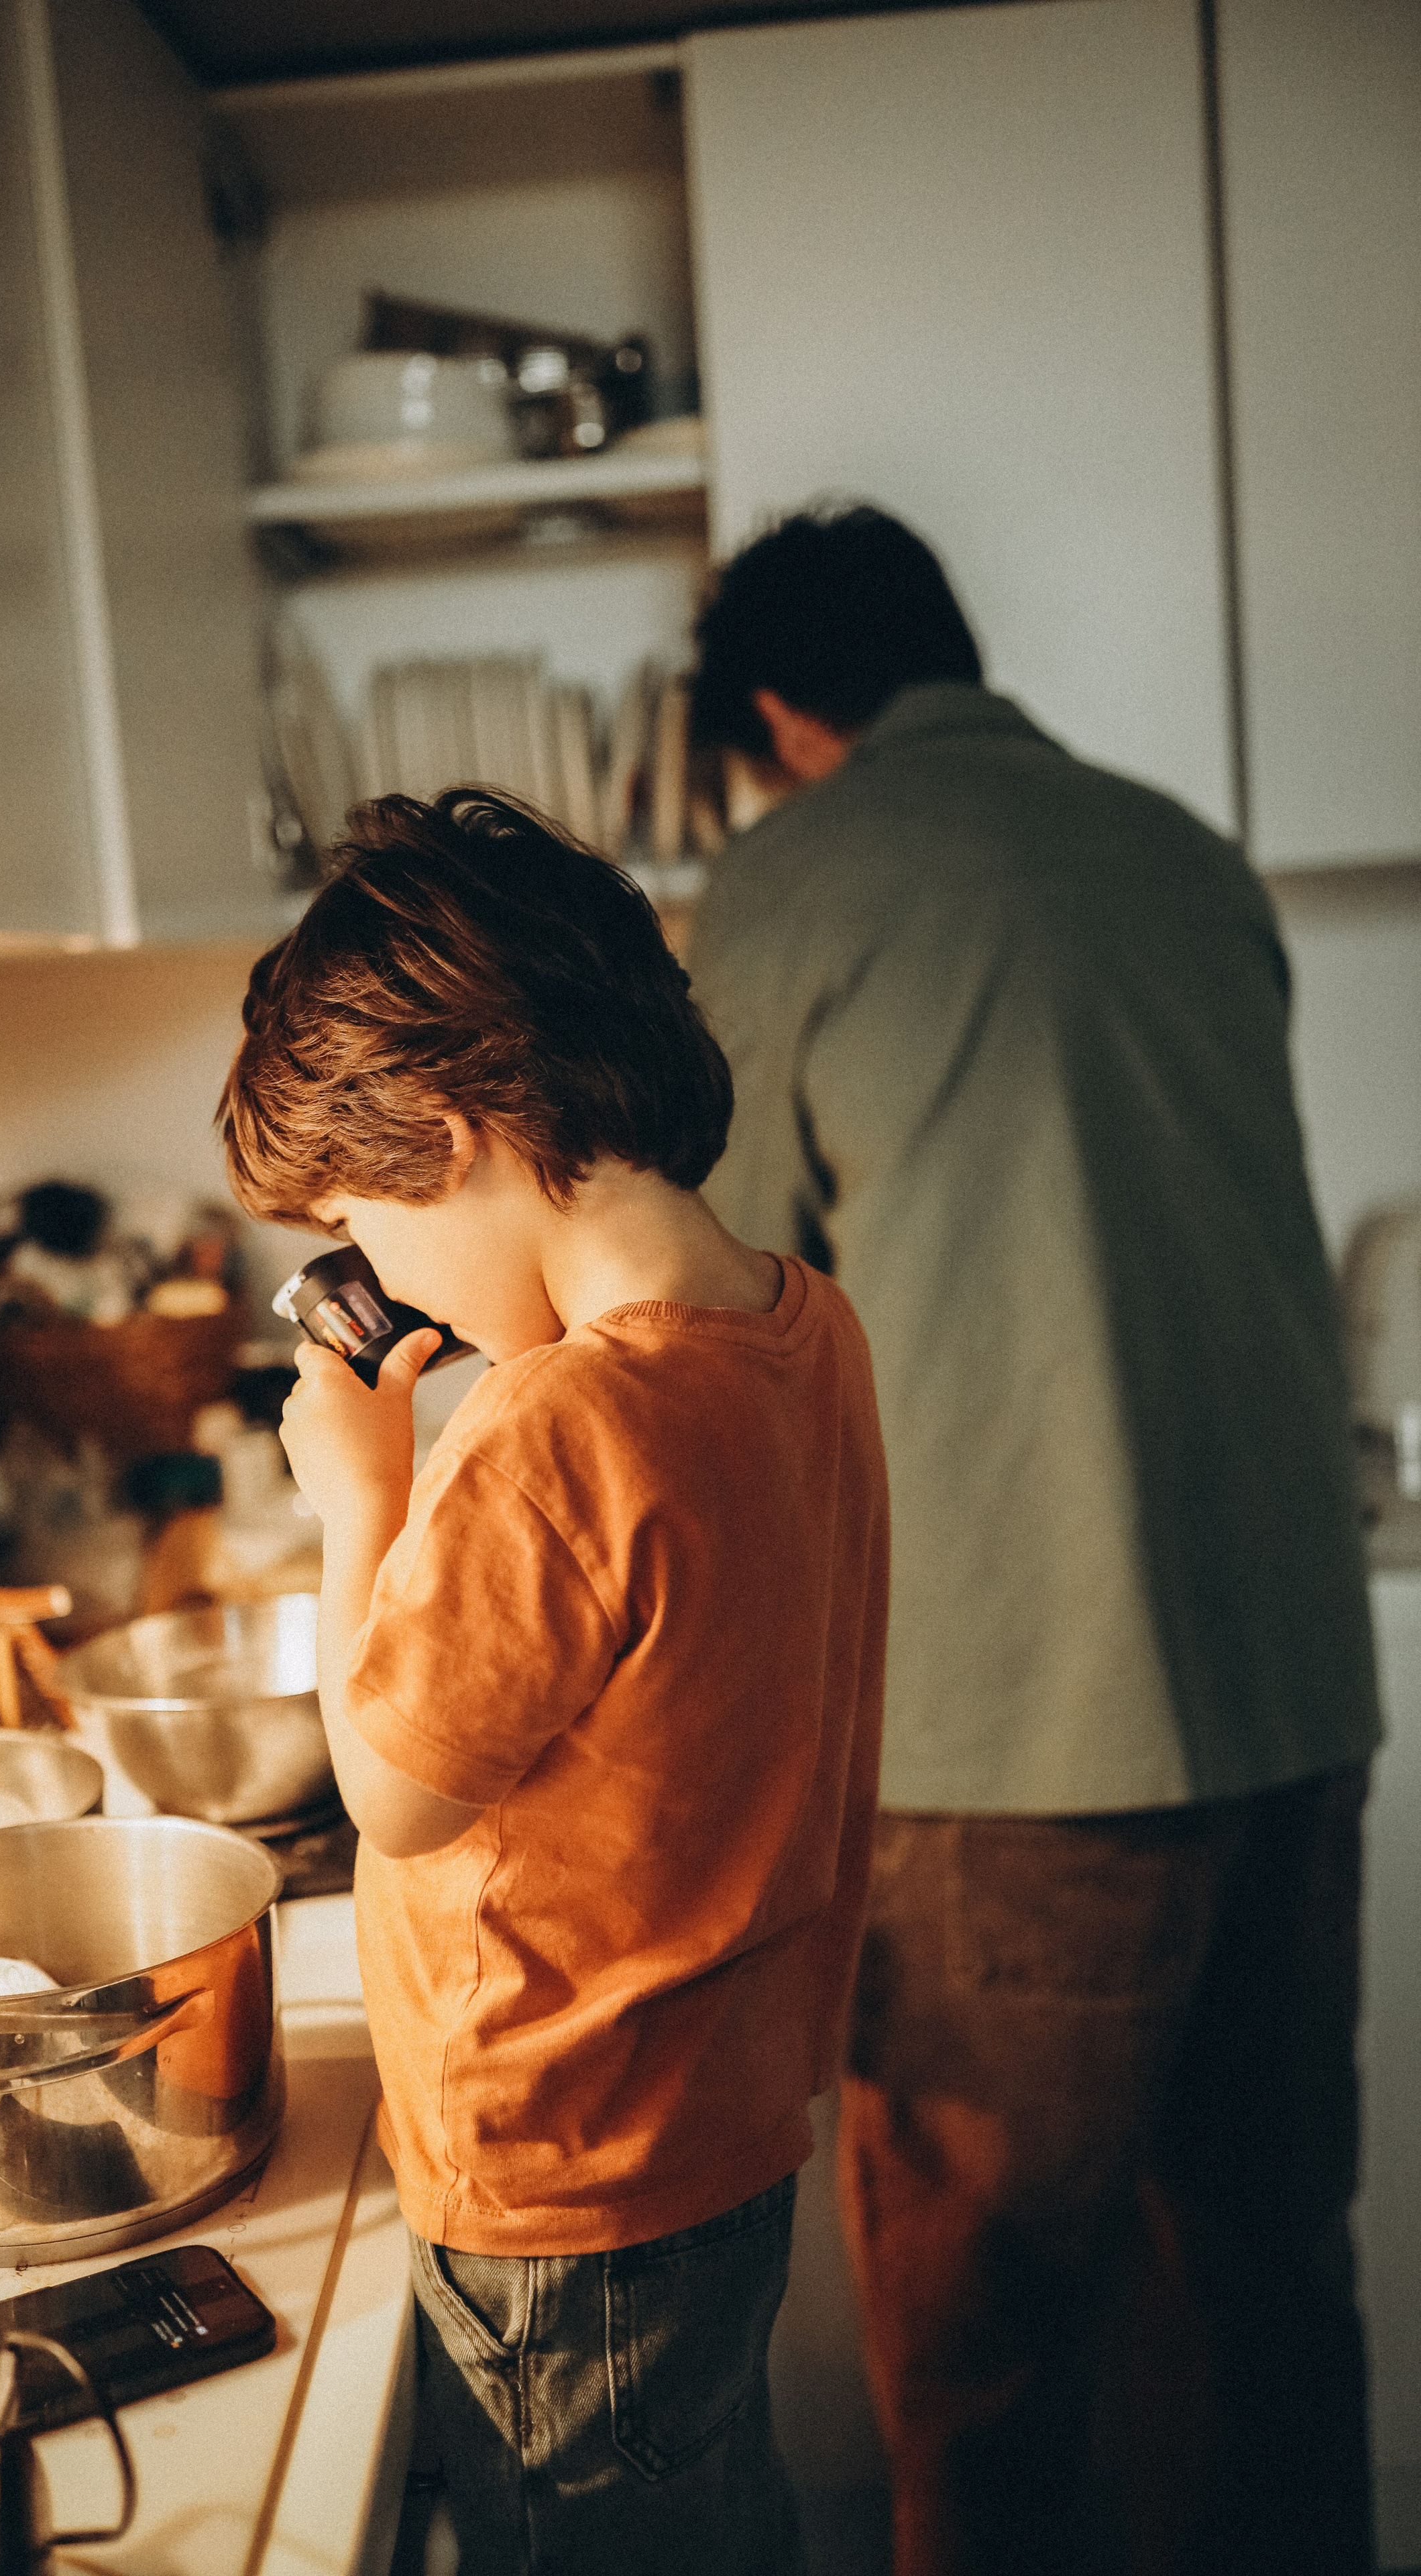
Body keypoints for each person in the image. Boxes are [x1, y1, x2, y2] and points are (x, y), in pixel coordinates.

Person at [685, 504, 1383, 2576]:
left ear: (788, 718)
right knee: (1261, 2302)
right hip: (1290, 1698)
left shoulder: (796, 872)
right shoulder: (1184, 852)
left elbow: (710, 1318)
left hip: (1021, 1741)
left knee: (988, 2359)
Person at [217, 790, 889, 2576]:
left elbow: (392, 1786)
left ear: (454, 1128)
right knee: (709, 2522)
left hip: (557, 2180)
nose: (370, 1270)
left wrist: (361, 1493)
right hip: (724, 2125)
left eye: (362, 1216)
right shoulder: (803, 1329)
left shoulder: (550, 1426)